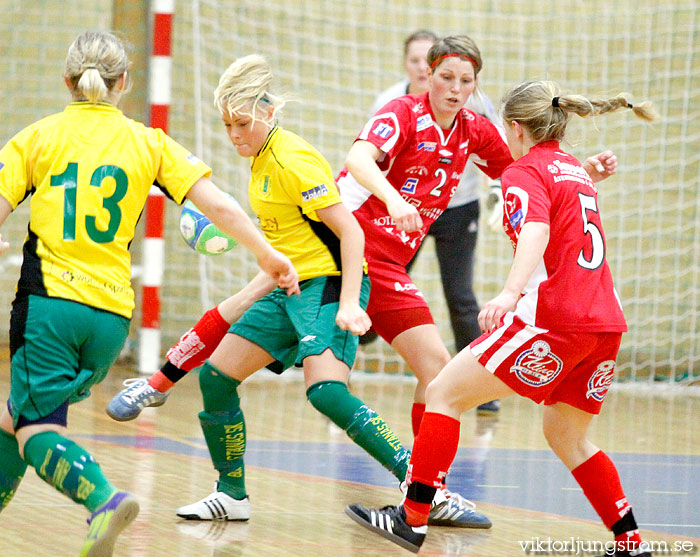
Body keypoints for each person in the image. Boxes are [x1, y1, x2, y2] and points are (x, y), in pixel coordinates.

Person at [118, 54, 487, 529]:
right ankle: (231, 494)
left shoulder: (292, 159)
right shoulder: (259, 159)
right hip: (291, 285)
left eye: (243, 124)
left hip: (328, 284)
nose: (234, 135)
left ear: (269, 115)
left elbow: (351, 233)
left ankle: (422, 488)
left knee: (326, 392)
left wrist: (351, 302)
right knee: (216, 378)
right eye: (228, 124)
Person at [0, 31, 298, 557]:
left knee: (33, 427)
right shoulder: (149, 141)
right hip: (112, 320)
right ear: (125, 84)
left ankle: (103, 499)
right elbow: (222, 207)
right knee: (14, 414)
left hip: (48, 305)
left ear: (67, 81)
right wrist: (267, 255)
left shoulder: (37, 138)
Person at [345, 80, 657, 556]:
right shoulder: (570, 167)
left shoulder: (523, 170)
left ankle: (411, 521)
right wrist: (591, 176)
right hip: (605, 324)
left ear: (515, 129)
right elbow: (562, 217)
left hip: (554, 318)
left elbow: (536, 226)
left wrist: (511, 292)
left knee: (443, 392)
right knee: (567, 436)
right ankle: (630, 541)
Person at [364, 29, 505, 416]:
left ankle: (422, 472)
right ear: (427, 73)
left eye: (466, 81)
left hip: (444, 220)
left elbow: (520, 170)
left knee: (453, 317)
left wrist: (581, 175)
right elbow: (358, 160)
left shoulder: (475, 123)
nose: (455, 88)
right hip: (362, 240)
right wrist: (394, 199)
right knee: (330, 374)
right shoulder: (398, 108)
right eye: (446, 77)